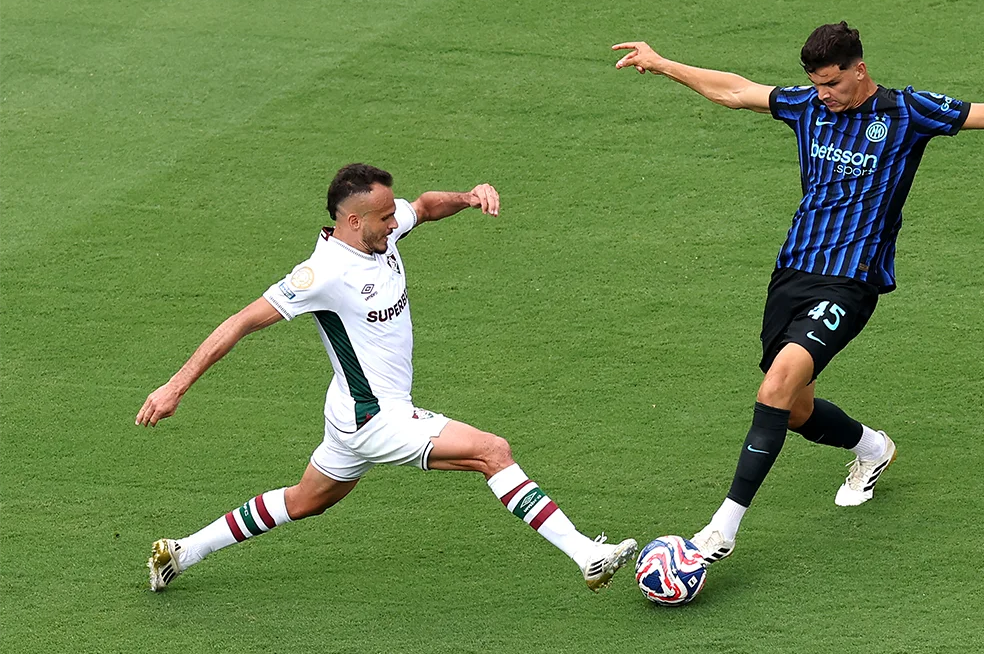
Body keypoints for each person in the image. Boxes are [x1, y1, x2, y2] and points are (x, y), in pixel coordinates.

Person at [612, 22, 984, 564]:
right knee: (796, 409)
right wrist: (662, 64)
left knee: (775, 388)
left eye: (832, 83)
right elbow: (736, 90)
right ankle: (872, 448)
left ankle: (720, 531)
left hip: (851, 283)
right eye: (816, 84)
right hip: (791, 275)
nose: (824, 94)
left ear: (860, 69)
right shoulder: (806, 106)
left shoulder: (907, 112)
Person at [138, 163, 637, 592]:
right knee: (492, 452)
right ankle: (585, 554)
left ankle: (182, 551)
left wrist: (468, 197)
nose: (395, 221)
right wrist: (175, 386)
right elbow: (241, 322)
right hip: (375, 418)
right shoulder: (322, 274)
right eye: (384, 217)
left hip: (348, 410)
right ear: (353, 221)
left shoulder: (380, 229)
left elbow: (425, 205)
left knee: (305, 500)